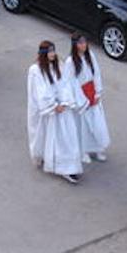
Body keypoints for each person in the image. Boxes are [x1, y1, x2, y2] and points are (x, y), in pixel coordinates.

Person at [26, 41, 83, 183]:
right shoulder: (35, 70)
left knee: (66, 138)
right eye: (50, 52)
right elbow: (40, 91)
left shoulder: (59, 65)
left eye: (53, 51)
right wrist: (53, 105)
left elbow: (65, 84)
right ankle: (49, 158)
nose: (53, 54)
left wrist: (64, 102)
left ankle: (68, 167)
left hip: (62, 107)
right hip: (48, 110)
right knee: (45, 136)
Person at [61, 33, 108, 162]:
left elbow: (96, 73)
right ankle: (83, 151)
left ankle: (98, 148)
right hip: (80, 97)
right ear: (75, 45)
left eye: (85, 42)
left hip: (92, 93)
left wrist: (98, 92)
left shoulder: (90, 56)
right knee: (83, 127)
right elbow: (69, 82)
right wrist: (79, 99)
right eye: (80, 43)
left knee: (97, 123)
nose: (83, 45)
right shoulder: (70, 62)